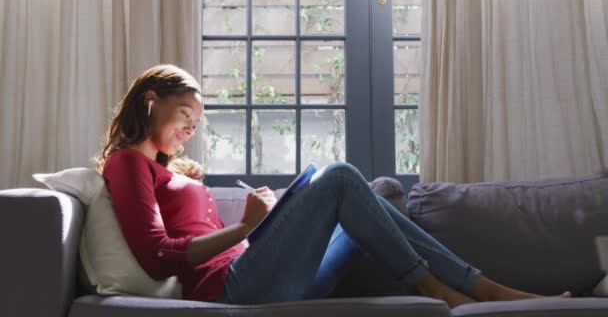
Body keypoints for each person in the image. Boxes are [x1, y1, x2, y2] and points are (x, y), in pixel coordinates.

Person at [96, 64, 570, 308]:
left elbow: (201, 233)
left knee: (374, 196)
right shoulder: (127, 164)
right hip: (232, 290)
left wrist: (263, 224)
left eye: (197, 123)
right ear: (151, 100)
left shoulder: (171, 172)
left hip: (257, 271)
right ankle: (449, 287)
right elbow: (156, 252)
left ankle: (477, 285)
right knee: (339, 177)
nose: (191, 129)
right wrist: (244, 230)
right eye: (185, 116)